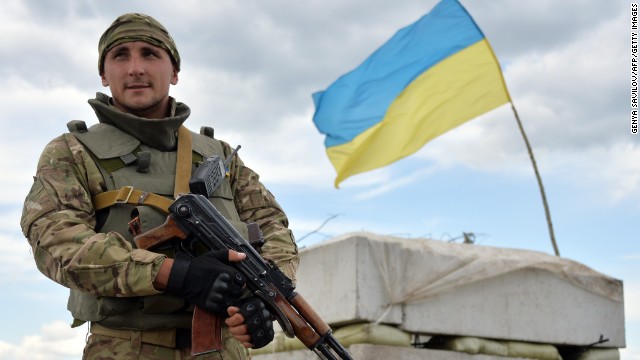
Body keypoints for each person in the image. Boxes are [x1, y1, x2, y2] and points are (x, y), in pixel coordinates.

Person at [20, 13, 299, 360]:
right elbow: (55, 242)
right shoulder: (71, 152)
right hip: (124, 348)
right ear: (104, 75)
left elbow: (274, 227)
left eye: (150, 54)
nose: (135, 68)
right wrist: (175, 274)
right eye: (121, 55)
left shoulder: (221, 155)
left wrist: (262, 297)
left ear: (175, 72)